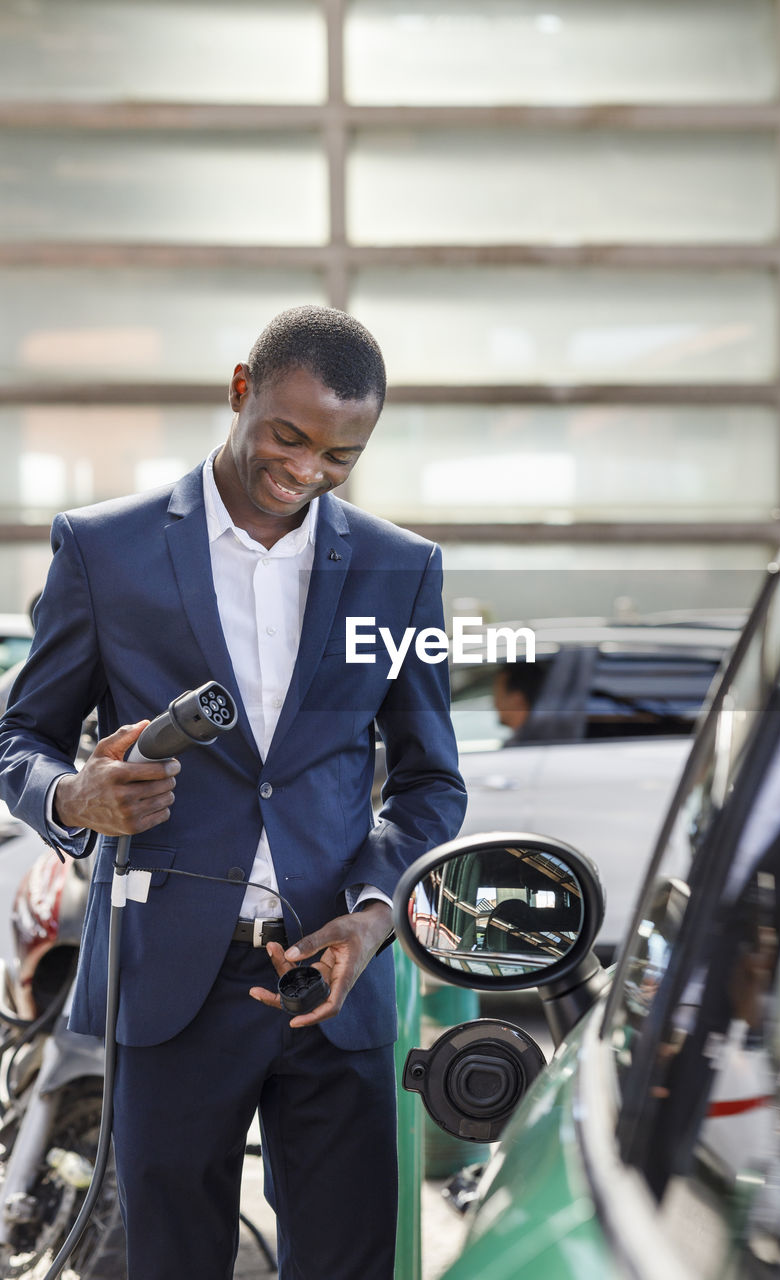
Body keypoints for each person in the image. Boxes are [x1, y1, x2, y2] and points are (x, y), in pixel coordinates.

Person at [0, 305, 466, 1280]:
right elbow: (19, 738)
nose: (306, 471)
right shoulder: (104, 549)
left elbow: (429, 783)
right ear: (241, 387)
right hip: (169, 981)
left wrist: (373, 914)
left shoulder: (402, 570)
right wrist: (74, 799)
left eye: (340, 455)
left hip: (331, 982)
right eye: (289, 437)